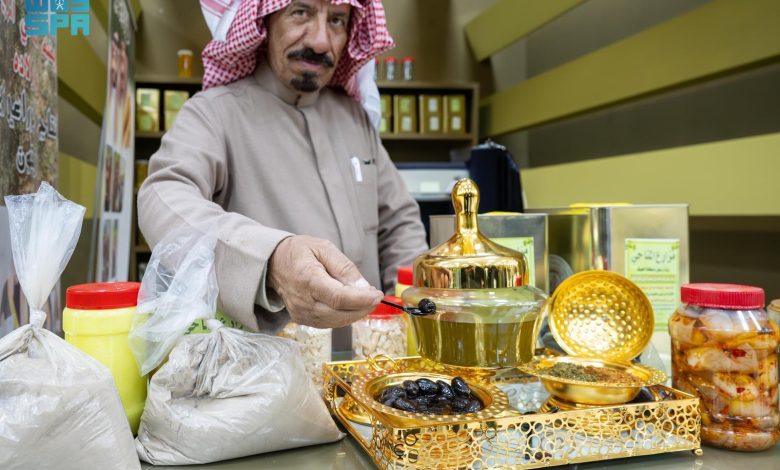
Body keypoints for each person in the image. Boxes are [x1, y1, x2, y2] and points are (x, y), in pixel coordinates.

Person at [137, 0, 427, 345]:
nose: (320, 41)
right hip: (265, 368)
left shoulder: (355, 119)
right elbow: (163, 197)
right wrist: (271, 259)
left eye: (337, 20)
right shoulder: (214, 113)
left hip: (371, 361)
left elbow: (400, 222)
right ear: (266, 21)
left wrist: (412, 315)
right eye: (301, 13)